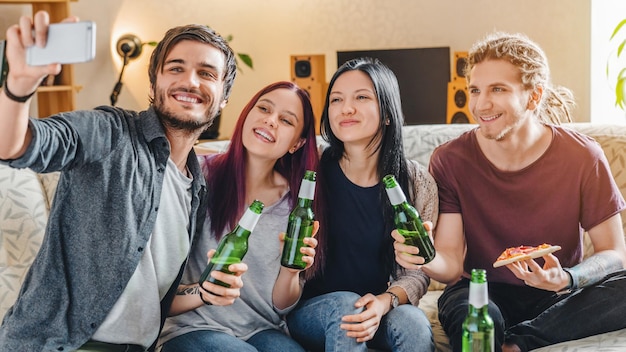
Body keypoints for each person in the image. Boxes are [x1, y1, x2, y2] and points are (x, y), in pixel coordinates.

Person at [0, 11, 247, 352]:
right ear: (153, 84)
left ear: (222, 98)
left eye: (206, 73)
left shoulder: (197, 187)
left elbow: (145, 293)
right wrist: (18, 89)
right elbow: (18, 145)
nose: (190, 81)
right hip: (57, 344)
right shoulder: (110, 131)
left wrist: (203, 292)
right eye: (176, 68)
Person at [393, 31, 626, 352]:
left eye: (497, 89)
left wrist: (568, 278)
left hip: (558, 296)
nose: (480, 104)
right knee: (475, 317)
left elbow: (615, 253)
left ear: (533, 96)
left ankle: (517, 344)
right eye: (474, 90)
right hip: (478, 289)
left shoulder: (583, 155)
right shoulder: (450, 159)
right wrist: (424, 257)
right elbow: (449, 265)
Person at [286, 57, 438, 352]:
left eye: (362, 97)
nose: (346, 108)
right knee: (346, 306)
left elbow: (418, 271)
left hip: (376, 307)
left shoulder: (416, 182)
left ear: (388, 113)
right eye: (336, 100)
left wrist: (386, 301)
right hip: (311, 312)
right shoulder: (308, 170)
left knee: (413, 322)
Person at [158, 81, 320, 352]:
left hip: (263, 328)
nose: (270, 121)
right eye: (264, 108)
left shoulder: (295, 205)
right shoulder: (197, 175)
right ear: (246, 114)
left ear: (297, 143)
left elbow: (281, 305)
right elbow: (155, 286)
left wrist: (291, 272)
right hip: (192, 327)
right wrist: (205, 291)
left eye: (285, 120)